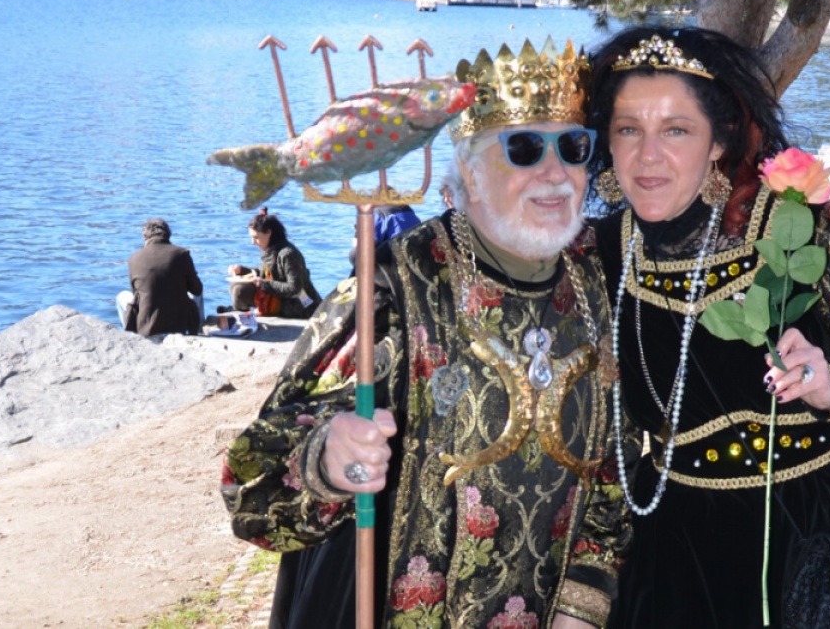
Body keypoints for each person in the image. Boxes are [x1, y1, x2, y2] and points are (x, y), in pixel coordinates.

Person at [222, 38, 629, 629]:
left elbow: (612, 469)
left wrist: (582, 607)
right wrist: (326, 460)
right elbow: (251, 485)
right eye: (522, 147)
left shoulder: (597, 280)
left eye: (573, 146)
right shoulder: (393, 290)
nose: (555, 172)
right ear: (469, 173)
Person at [585, 28, 830, 628]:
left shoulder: (807, 231)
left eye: (675, 130)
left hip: (829, 535)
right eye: (629, 129)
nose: (647, 155)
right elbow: (602, 447)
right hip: (681, 560)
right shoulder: (595, 260)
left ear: (719, 140)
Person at [227, 208, 321, 319]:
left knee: (240, 291)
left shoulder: (288, 254)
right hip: (280, 297)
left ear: (268, 232)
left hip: (300, 305)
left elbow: (294, 288)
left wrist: (263, 284)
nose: (253, 242)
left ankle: (245, 315)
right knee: (234, 286)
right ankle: (244, 313)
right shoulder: (271, 250)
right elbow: (265, 273)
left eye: (256, 237)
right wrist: (241, 271)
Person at [117, 218, 203, 337]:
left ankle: (132, 337)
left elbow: (136, 293)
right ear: (168, 235)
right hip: (179, 327)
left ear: (145, 236)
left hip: (146, 328)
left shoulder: (134, 259)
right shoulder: (182, 254)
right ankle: (198, 332)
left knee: (121, 296)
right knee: (197, 294)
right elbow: (197, 289)